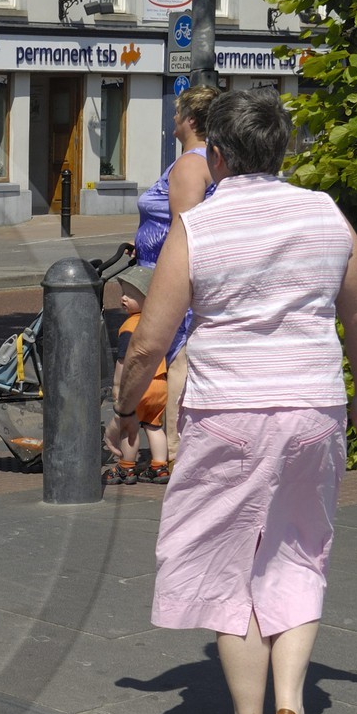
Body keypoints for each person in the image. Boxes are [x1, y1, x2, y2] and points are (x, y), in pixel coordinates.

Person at [116, 88, 357, 714]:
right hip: (311, 406)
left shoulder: (200, 226)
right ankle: (290, 705)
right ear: (285, 149)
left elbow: (150, 341)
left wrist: (124, 411)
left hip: (228, 409)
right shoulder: (326, 215)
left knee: (226, 559)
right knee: (299, 549)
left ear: (218, 155)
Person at [136, 85, 220, 462]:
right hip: (165, 280)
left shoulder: (191, 163)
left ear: (189, 120)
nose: (172, 119)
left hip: (175, 286)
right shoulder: (198, 160)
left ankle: (174, 453)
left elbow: (183, 232)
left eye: (176, 113)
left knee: (176, 365)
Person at [104, 265, 170, 485]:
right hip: (160, 384)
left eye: (131, 295)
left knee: (128, 426)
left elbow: (124, 360)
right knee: (154, 426)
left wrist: (117, 385)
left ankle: (126, 467)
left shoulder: (129, 326)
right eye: (123, 293)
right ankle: (160, 467)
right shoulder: (158, 324)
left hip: (138, 385)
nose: (123, 298)